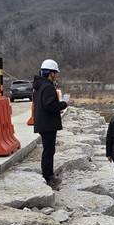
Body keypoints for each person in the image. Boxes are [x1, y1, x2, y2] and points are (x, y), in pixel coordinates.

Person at [33, 59, 68, 188]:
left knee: (48, 151)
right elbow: (49, 106)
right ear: (51, 73)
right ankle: (48, 178)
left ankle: (50, 175)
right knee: (48, 152)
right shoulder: (47, 87)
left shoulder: (39, 86)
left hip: (43, 123)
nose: (57, 75)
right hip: (47, 124)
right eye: (56, 73)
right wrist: (63, 104)